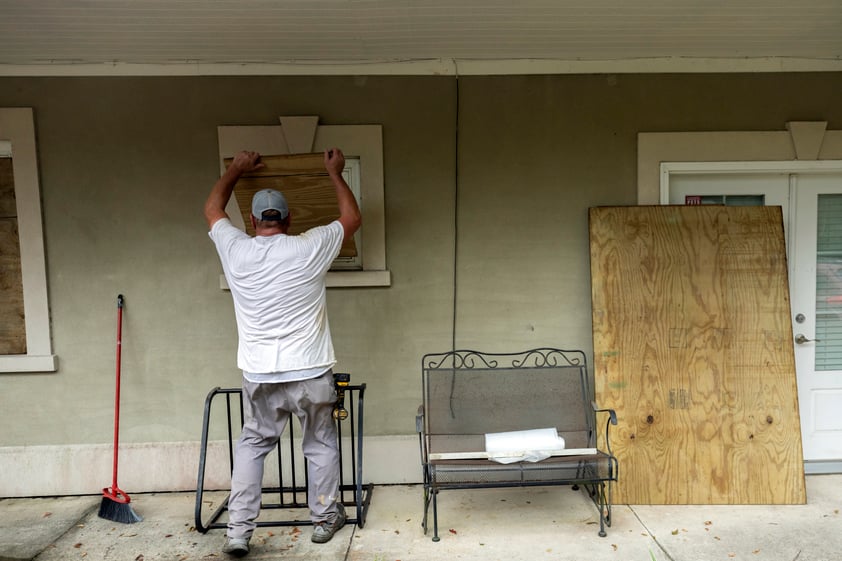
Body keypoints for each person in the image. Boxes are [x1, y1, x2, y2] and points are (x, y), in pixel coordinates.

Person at [204, 148, 361, 558]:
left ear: (253, 221)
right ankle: (325, 519)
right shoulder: (309, 245)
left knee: (253, 445)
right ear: (289, 220)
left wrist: (236, 170)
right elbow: (352, 219)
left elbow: (211, 208)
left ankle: (238, 531)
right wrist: (334, 172)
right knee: (320, 443)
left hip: (259, 372)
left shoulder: (236, 249)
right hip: (309, 368)